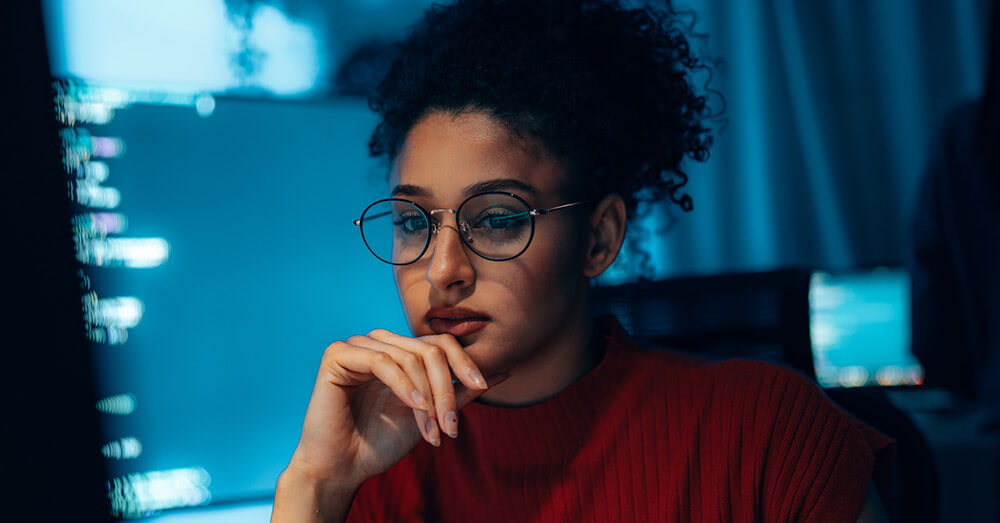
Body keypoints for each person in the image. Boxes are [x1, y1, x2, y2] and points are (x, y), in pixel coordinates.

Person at [271, 1, 894, 521]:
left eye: (497, 219)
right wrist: (314, 486)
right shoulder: (381, 468)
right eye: (413, 223)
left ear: (598, 239)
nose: (442, 270)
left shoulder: (766, 433)